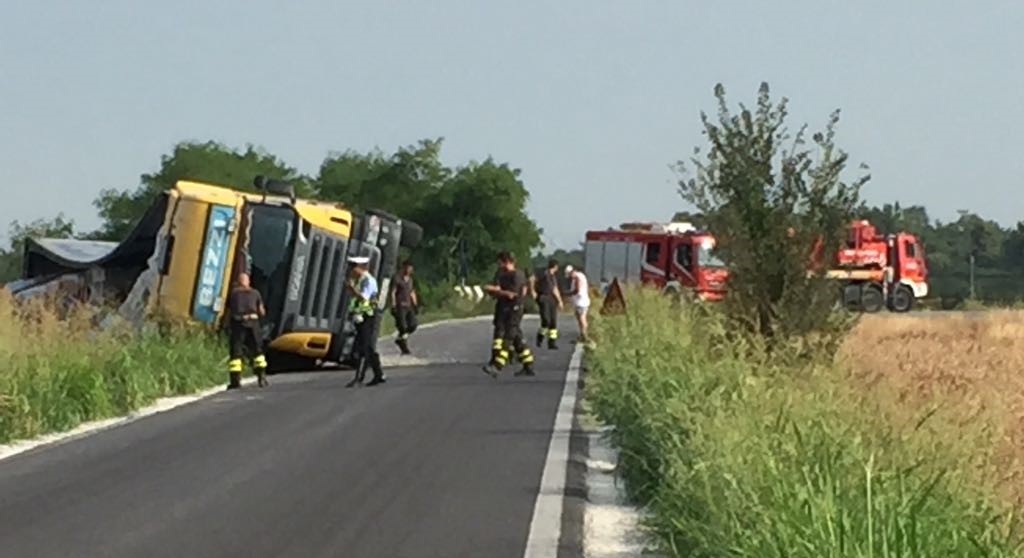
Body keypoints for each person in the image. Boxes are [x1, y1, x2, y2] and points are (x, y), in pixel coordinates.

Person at [482, 251, 536, 378]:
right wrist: (494, 291)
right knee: (517, 338)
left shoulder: (517, 275)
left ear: (506, 261)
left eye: (500, 262)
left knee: (509, 337)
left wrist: (495, 290)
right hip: (505, 309)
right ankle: (528, 365)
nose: (498, 265)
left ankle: (497, 366)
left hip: (515, 308)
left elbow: (512, 294)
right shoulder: (503, 275)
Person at [345, 256, 385, 388]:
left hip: (368, 316)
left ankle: (359, 378)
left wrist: (352, 289)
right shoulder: (360, 280)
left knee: (364, 346)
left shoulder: (368, 280)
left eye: (352, 267)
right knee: (367, 347)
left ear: (360, 267)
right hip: (361, 316)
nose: (350, 270)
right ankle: (378, 374)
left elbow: (364, 298)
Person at [226, 272, 268, 389]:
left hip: (238, 324)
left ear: (238, 282)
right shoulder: (255, 293)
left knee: (236, 352)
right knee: (258, 351)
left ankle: (235, 381)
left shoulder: (234, 294)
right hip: (253, 324)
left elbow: (229, 311)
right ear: (248, 281)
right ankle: (262, 377)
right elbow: (262, 312)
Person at [531, 259, 563, 350]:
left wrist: (559, 301)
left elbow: (555, 289)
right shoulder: (543, 273)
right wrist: (533, 291)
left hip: (551, 299)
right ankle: (540, 337)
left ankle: (552, 343)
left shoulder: (553, 277)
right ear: (556, 267)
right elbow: (532, 279)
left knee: (553, 322)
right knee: (546, 320)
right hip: (543, 297)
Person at [390, 261, 419, 355]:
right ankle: (404, 348)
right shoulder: (397, 278)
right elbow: (393, 292)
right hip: (400, 305)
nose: (409, 270)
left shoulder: (410, 280)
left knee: (413, 325)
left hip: (408, 305)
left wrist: (415, 304)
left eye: (411, 268)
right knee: (403, 326)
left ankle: (400, 339)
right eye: (408, 267)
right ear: (403, 267)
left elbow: (411, 292)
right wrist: (393, 304)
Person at [566, 265, 591, 343]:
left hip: (581, 302)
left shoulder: (577, 277)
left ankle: (584, 336)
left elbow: (577, 290)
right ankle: (582, 335)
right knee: (581, 319)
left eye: (569, 275)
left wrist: (568, 293)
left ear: (572, 272)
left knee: (582, 319)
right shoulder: (581, 275)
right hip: (582, 301)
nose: (570, 277)